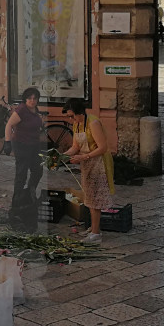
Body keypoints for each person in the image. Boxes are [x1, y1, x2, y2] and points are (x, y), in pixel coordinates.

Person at [61, 99, 115, 244]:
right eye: (69, 117)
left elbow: (102, 147)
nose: (71, 119)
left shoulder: (93, 123)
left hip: (98, 164)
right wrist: (62, 156)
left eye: (72, 116)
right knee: (89, 197)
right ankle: (93, 228)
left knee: (95, 199)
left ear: (80, 112)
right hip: (87, 164)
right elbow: (75, 146)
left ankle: (96, 234)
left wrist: (84, 156)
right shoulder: (77, 125)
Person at [4, 87, 44, 229]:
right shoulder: (21, 110)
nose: (32, 101)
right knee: (21, 174)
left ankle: (28, 194)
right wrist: (7, 142)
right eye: (29, 98)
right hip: (21, 145)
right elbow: (9, 125)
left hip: (34, 145)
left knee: (38, 170)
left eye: (34, 98)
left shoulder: (35, 110)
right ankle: (16, 205)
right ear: (25, 99)